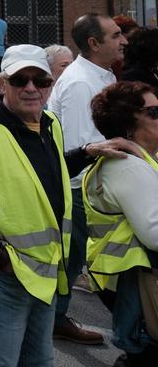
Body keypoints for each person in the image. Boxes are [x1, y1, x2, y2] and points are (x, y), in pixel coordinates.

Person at [0, 44, 138, 366]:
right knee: (0, 363)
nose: (31, 88)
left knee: (40, 361)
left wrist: (86, 152)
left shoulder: (49, 122)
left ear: (50, 85)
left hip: (42, 271)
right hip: (1, 275)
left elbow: (45, 171)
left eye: (40, 80)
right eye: (21, 80)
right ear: (3, 83)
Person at [46, 13, 126, 344]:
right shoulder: (81, 83)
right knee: (74, 256)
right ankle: (55, 319)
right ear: (94, 43)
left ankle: (55, 317)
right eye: (116, 35)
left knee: (80, 256)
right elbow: (83, 146)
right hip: (80, 189)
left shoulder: (100, 74)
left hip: (90, 186)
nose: (124, 40)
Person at [83, 81, 158, 364]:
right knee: (144, 352)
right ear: (128, 126)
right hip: (136, 280)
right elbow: (154, 233)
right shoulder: (127, 166)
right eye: (154, 112)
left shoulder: (142, 159)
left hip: (130, 277)